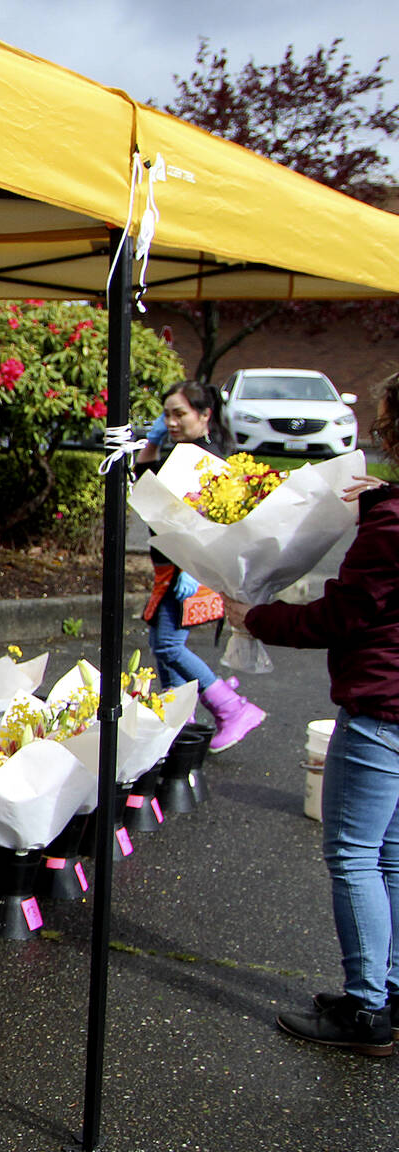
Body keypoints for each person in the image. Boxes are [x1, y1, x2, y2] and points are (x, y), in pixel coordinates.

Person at [229, 369, 399, 1057]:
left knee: (354, 854)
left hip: (382, 706)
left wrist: (255, 616)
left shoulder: (391, 529)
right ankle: (387, 989)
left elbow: (339, 614)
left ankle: (365, 1012)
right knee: (392, 857)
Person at [136, 380, 266, 750]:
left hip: (190, 569)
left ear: (204, 414)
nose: (172, 421)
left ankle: (231, 707)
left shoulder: (207, 460)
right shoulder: (182, 453)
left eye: (180, 414)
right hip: (171, 568)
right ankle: (180, 723)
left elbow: (214, 525)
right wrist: (154, 441)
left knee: (168, 646)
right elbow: (144, 488)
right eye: (166, 414)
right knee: (162, 645)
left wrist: (192, 570)